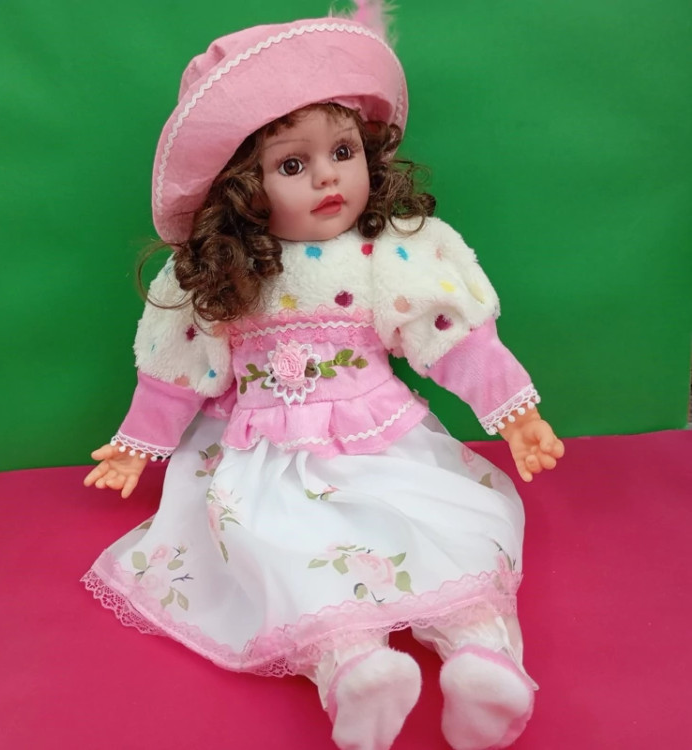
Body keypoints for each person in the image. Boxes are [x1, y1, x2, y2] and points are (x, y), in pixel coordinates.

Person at [83, 5, 564, 749]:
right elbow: (179, 365)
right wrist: (136, 442)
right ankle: (355, 670)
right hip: (267, 459)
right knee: (289, 553)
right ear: (242, 190)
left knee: (448, 532)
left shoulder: (391, 251)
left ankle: (484, 659)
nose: (329, 176)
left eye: (343, 150)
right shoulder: (226, 271)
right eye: (292, 165)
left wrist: (514, 410)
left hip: (387, 442)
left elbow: (450, 335)